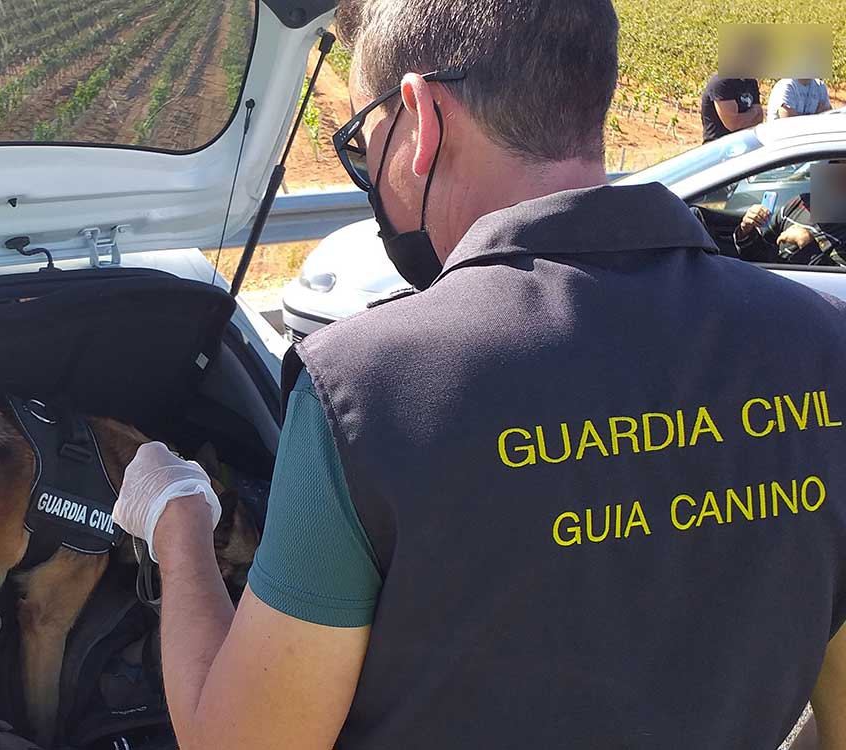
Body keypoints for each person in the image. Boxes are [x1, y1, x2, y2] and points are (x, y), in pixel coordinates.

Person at [111, 1, 846, 748]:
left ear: (421, 118)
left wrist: (179, 526)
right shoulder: (825, 344)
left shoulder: (368, 390)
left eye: (364, 147)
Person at [701, 73, 763, 141]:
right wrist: (754, 112)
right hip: (719, 145)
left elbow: (759, 118)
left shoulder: (750, 81)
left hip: (745, 140)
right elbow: (733, 124)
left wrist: (744, 118)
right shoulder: (721, 83)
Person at [769, 77, 833, 120]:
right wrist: (817, 116)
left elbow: (828, 118)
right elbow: (788, 122)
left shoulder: (820, 85)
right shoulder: (786, 85)